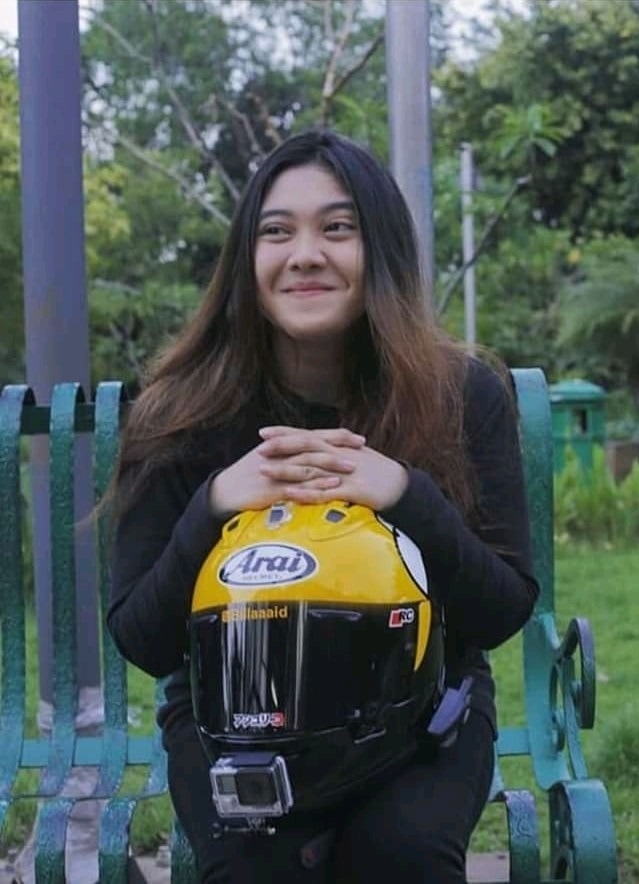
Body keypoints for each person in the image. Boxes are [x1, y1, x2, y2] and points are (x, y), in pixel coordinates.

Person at [107, 129, 539, 883]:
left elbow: (499, 613)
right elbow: (144, 640)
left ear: (383, 250)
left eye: (337, 228)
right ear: (247, 260)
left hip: (422, 721)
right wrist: (214, 505)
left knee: (402, 855)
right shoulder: (180, 412)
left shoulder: (461, 395)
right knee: (255, 870)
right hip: (232, 729)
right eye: (277, 232)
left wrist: (405, 495)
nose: (304, 254)